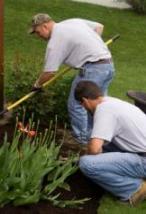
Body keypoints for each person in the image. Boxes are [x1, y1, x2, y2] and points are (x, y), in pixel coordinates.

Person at [29, 13, 115, 144]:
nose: (38, 36)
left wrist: (37, 85)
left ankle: (82, 140)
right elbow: (99, 27)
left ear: (45, 26)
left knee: (77, 104)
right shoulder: (72, 21)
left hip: (92, 69)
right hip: (107, 65)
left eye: (38, 32)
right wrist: (92, 46)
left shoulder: (55, 41)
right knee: (99, 105)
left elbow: (49, 72)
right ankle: (99, 137)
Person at [74, 80, 146, 206]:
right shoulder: (111, 102)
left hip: (143, 159)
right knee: (101, 146)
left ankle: (135, 189)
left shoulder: (104, 111)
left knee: (87, 164)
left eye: (82, 104)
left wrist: (86, 157)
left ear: (85, 101)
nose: (84, 108)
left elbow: (95, 149)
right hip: (140, 151)